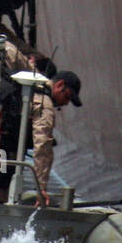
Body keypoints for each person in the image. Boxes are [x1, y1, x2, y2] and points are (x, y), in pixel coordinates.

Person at [30, 70, 83, 205]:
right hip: (3, 150)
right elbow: (42, 146)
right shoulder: (45, 105)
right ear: (60, 85)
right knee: (1, 188)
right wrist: (40, 188)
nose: (65, 104)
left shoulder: (32, 84)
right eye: (67, 98)